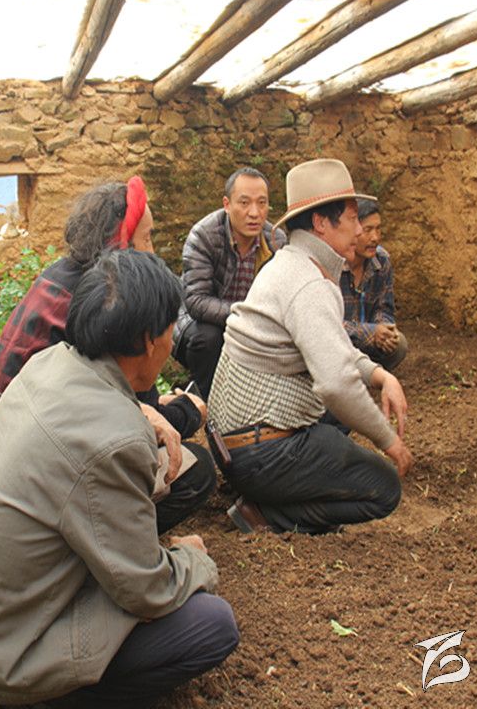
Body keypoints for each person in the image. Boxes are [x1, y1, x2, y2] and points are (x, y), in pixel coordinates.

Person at [0, 250, 239, 708]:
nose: (172, 339)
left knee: (181, 482)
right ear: (149, 340)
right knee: (211, 625)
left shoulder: (48, 363)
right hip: (6, 661)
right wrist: (191, 561)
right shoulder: (115, 440)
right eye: (171, 328)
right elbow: (149, 591)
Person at [0, 177, 215, 534]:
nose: (153, 252)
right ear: (121, 243)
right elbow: (116, 421)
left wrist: (154, 408)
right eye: (147, 238)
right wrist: (187, 413)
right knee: (198, 469)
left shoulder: (64, 278)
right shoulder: (104, 303)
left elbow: (111, 395)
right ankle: (106, 541)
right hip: (27, 473)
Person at [208, 159, 413, 534]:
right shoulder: (309, 284)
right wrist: (389, 443)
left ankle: (279, 491)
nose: (359, 229)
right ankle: (266, 514)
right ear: (321, 223)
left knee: (342, 414)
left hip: (235, 443)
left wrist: (380, 375)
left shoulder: (290, 263)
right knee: (384, 489)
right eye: (352, 218)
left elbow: (333, 347)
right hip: (258, 451)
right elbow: (337, 384)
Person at [172, 167, 286, 399]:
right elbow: (196, 301)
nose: (254, 213)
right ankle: (201, 401)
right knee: (209, 338)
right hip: (199, 324)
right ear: (227, 204)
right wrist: (244, 315)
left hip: (251, 324)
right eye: (244, 203)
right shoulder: (204, 235)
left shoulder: (276, 241)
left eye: (262, 203)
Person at [340, 198, 407, 370]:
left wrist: (384, 330)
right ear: (352, 230)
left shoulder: (381, 260)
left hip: (367, 344)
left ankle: (369, 373)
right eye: (368, 230)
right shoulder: (334, 264)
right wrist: (370, 332)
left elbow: (384, 308)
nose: (375, 237)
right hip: (337, 344)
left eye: (378, 229)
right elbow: (329, 325)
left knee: (399, 344)